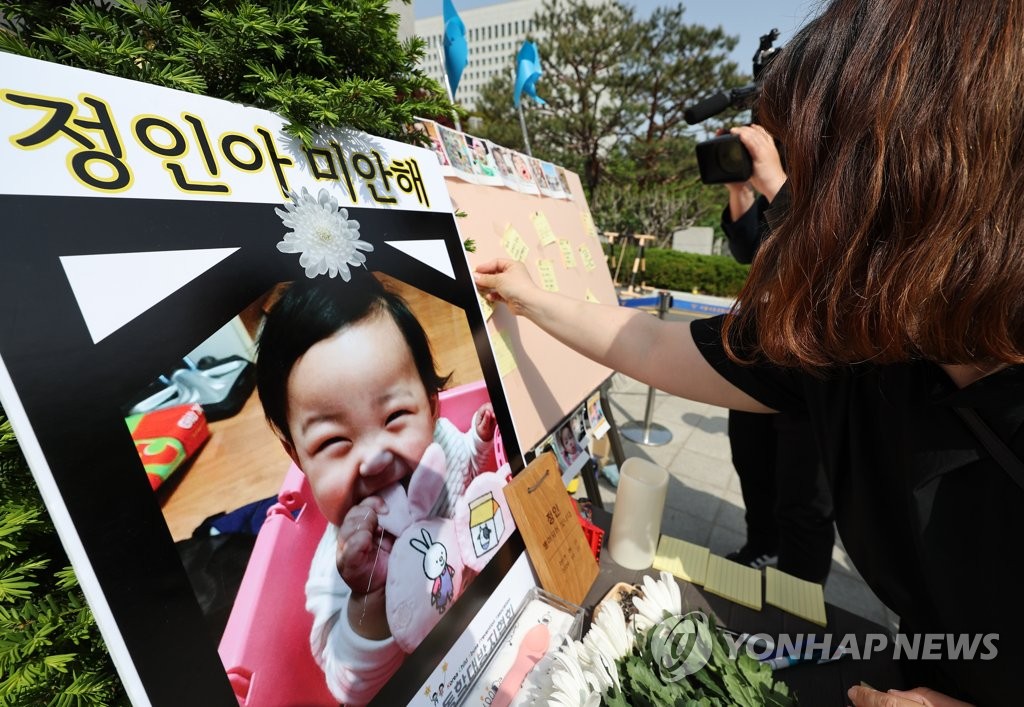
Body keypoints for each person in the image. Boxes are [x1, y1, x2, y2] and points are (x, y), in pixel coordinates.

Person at [474, 1, 1024, 703]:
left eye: (815, 165)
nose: (795, 203)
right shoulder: (857, 343)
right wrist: (526, 294)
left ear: (934, 179)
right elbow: (645, 338)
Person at [255, 274, 497, 705]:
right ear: (297, 458)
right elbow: (350, 690)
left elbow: (473, 486)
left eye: (395, 415)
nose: (375, 459)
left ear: (433, 404)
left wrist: (479, 445)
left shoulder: (444, 450)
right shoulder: (337, 572)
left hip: (493, 629)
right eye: (333, 442)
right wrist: (369, 597)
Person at [720, 124, 835, 583]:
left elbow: (826, 250)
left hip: (814, 354)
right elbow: (746, 248)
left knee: (804, 493)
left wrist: (776, 183)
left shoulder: (832, 171)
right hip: (758, 345)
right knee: (750, 458)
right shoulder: (776, 183)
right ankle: (760, 546)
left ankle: (799, 599)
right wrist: (740, 189)